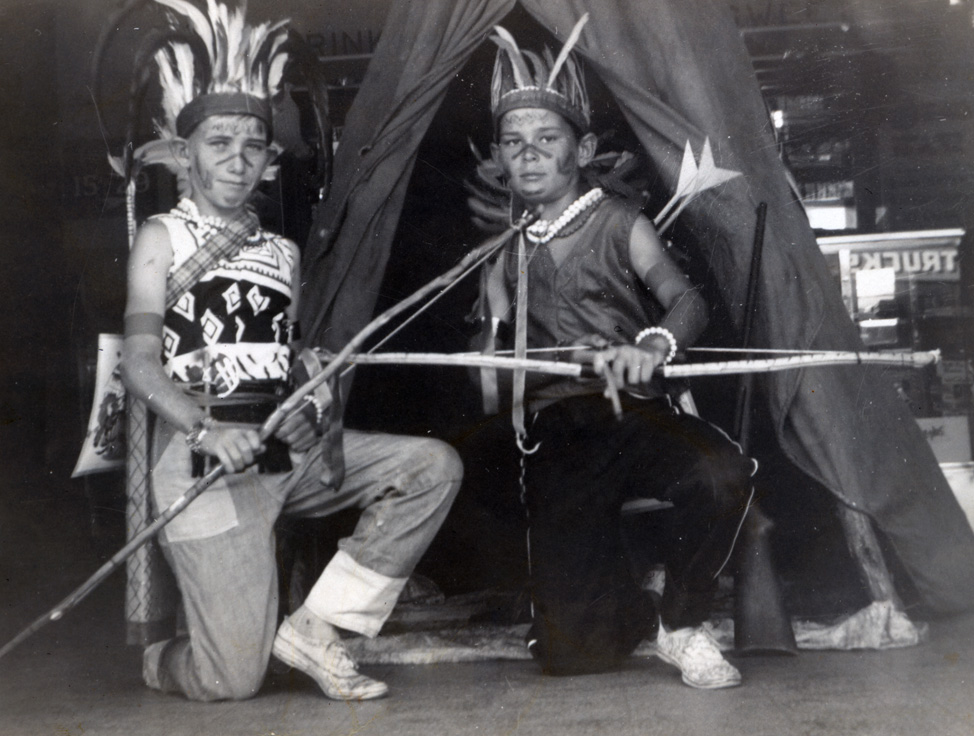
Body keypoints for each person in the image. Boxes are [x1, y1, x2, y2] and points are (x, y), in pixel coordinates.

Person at [120, 1, 461, 702]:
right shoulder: (161, 236)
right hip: (202, 465)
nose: (238, 160)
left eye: (254, 144)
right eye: (219, 143)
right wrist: (208, 431)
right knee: (231, 679)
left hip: (283, 452)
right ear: (184, 154)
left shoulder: (283, 252)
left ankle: (317, 627)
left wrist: (313, 395)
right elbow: (138, 364)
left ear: (270, 158)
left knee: (431, 467)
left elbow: (287, 356)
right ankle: (162, 657)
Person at [474, 17, 761, 688]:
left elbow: (686, 301)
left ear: (583, 148)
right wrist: (493, 353)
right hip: (557, 432)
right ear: (500, 159)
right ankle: (635, 605)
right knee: (571, 656)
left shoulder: (621, 222)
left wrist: (653, 343)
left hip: (636, 412)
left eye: (547, 139)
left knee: (721, 473)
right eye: (514, 143)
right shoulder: (501, 256)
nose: (529, 155)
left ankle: (683, 625)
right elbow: (488, 380)